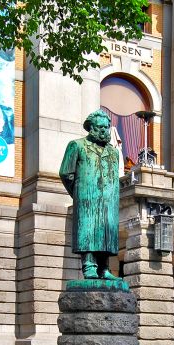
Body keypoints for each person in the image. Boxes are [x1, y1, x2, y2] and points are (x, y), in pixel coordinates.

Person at [59, 110, 120, 279]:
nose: (104, 131)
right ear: (91, 128)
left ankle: (104, 269)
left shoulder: (114, 153)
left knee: (107, 233)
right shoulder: (77, 146)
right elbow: (65, 173)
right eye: (100, 127)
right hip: (87, 198)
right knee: (89, 231)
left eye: (106, 127)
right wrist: (78, 194)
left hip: (109, 201)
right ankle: (88, 266)